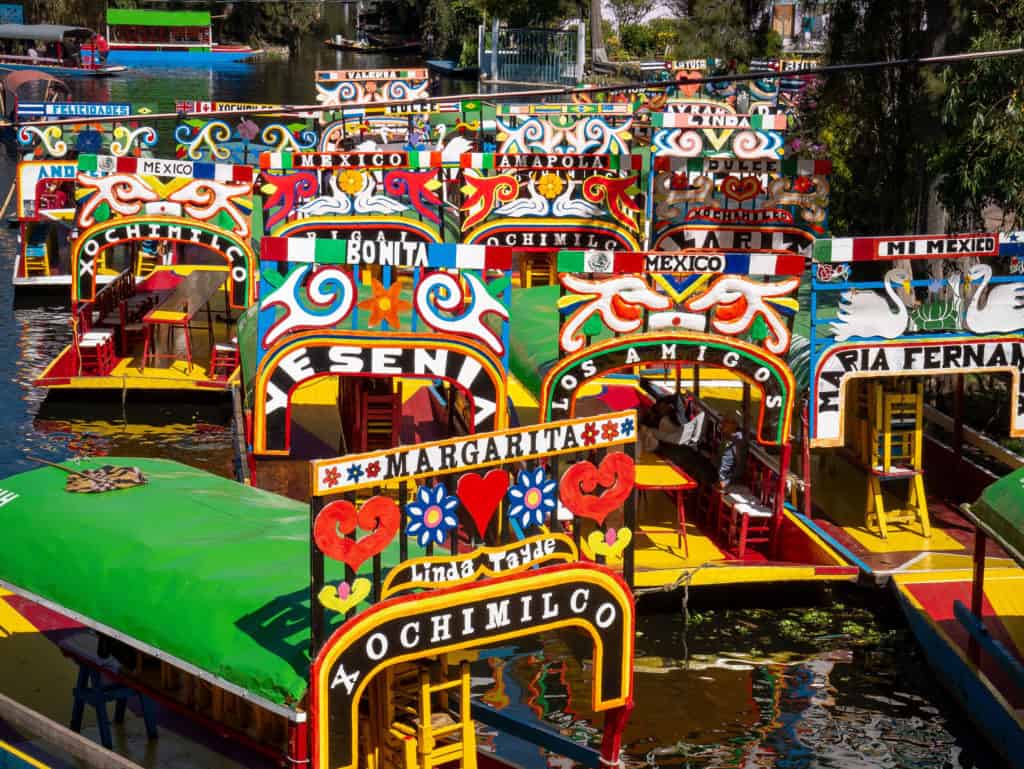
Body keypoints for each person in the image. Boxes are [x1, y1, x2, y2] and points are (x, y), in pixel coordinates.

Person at [716, 416, 748, 490]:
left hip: (726, 480)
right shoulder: (728, 437)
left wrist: (726, 482)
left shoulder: (737, 441)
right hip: (720, 474)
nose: (722, 423)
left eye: (726, 422)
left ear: (734, 425)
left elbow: (740, 467)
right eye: (723, 421)